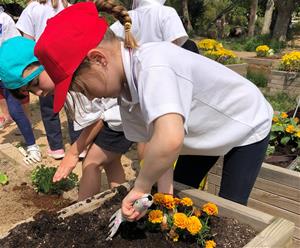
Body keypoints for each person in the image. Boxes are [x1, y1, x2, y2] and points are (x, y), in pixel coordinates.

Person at [34, 1, 273, 221]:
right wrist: (164, 199)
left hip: (245, 123)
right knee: (177, 194)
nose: (90, 96)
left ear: (98, 59)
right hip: (204, 129)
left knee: (230, 216)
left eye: (82, 88)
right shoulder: (126, 93)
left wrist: (141, 186)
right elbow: (157, 148)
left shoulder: (153, 66)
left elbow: (169, 140)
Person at [0, 36, 132, 201]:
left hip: (117, 117)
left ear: (46, 63)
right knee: (111, 162)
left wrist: (73, 153)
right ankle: (121, 202)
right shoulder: (61, 84)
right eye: (31, 91)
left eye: (35, 83)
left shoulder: (78, 78)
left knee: (91, 162)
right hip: (117, 118)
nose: (39, 93)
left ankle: (83, 213)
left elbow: (101, 117)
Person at [16, 0, 80, 159]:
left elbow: (27, 43)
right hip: (68, 62)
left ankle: (56, 147)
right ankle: (79, 145)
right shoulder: (68, 6)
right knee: (73, 103)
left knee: (48, 108)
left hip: (44, 67)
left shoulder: (33, 8)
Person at [0, 8, 41, 164]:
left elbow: (15, 44)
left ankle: (32, 145)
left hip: (6, 70)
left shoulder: (4, 19)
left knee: (15, 109)